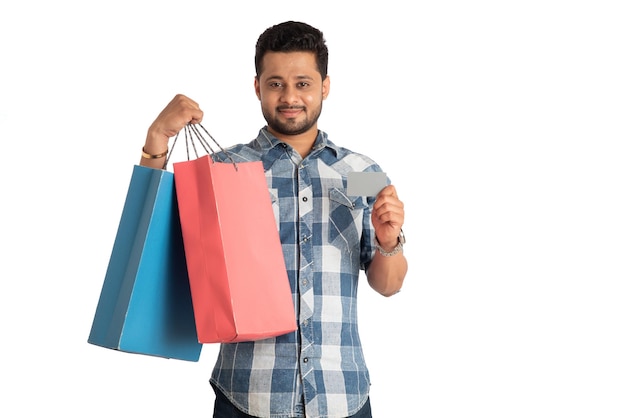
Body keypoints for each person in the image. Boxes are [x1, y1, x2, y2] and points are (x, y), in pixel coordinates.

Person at [139, 21, 408, 418]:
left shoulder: (363, 171)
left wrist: (388, 243)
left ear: (325, 86)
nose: (289, 96)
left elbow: (389, 285)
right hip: (246, 394)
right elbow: (149, 244)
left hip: (342, 396)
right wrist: (156, 140)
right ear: (257, 87)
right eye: (276, 83)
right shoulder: (221, 168)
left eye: (303, 83)